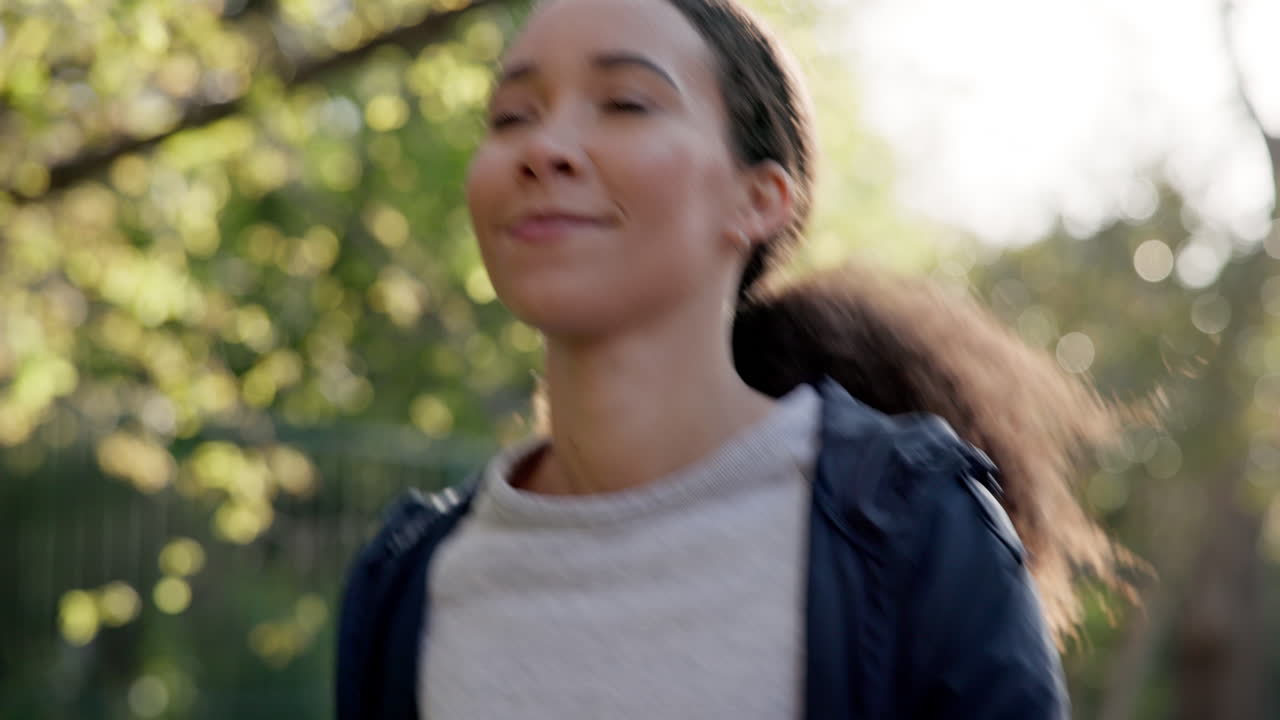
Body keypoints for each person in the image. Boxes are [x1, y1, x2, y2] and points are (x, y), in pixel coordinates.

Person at [336, 0, 1127, 717]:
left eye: (625, 103)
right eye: (511, 115)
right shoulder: (407, 581)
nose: (544, 148)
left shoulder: (913, 526)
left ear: (758, 200)